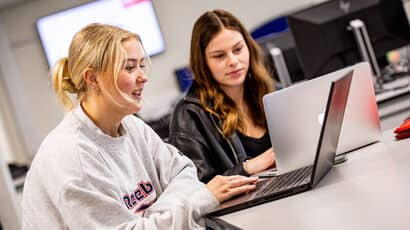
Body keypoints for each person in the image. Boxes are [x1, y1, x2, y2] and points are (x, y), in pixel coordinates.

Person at [21, 23, 258, 229]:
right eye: (129, 67)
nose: (142, 76)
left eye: (141, 65)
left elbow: (184, 172)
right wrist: (198, 201)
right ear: (92, 78)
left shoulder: (132, 127)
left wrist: (151, 218)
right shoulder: (72, 157)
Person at [169, 9, 276, 183]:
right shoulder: (188, 115)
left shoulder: (270, 90)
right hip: (244, 209)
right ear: (203, 63)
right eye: (219, 56)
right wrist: (246, 168)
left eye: (238, 49)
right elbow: (196, 190)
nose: (233, 61)